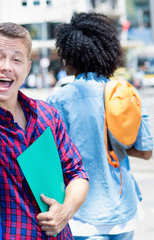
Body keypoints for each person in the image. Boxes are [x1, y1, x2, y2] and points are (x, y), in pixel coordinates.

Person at [0, 22, 90, 239]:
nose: (6, 66)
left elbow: (77, 172)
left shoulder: (47, 115)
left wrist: (66, 211)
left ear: (27, 67)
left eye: (16, 59)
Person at [47, 12, 153, 240]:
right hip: (124, 211)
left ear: (70, 55)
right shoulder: (126, 94)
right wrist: (113, 147)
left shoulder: (58, 101)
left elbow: (50, 160)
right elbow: (146, 152)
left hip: (80, 216)